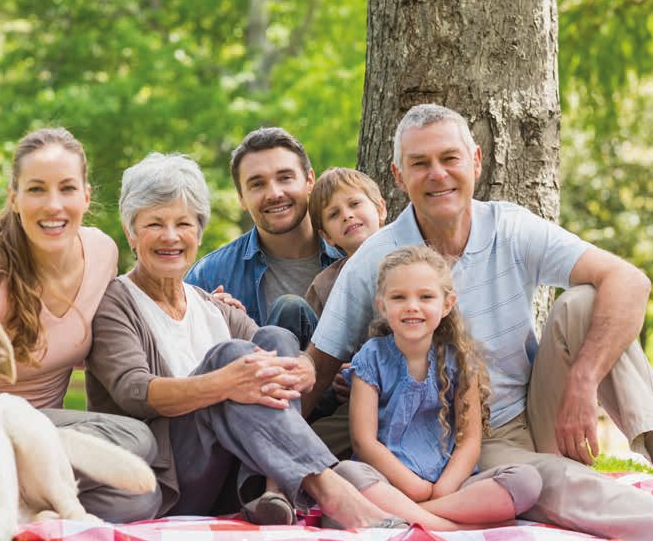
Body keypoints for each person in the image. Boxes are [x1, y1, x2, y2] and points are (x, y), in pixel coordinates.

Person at [304, 103, 653, 540]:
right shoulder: (376, 259)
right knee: (553, 482)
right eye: (420, 163)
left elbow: (631, 281)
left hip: (538, 404)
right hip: (470, 440)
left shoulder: (510, 226)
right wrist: (274, 454)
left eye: (449, 158)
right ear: (399, 176)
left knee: (589, 301)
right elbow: (318, 365)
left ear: (475, 161)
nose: (438, 174)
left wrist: (583, 383)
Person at [84, 152, 465, 530]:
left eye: (183, 223)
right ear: (131, 232)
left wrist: (311, 369)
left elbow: (282, 359)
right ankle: (329, 489)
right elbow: (133, 391)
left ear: (197, 233)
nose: (171, 236)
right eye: (154, 224)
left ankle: (275, 489)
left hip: (233, 482)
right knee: (231, 356)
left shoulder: (212, 306)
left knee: (276, 337)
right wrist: (223, 382)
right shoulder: (116, 300)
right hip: (166, 480)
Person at [0, 127, 161, 522]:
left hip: (44, 451)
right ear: (14, 198)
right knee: (136, 440)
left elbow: (130, 309)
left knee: (140, 501)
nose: (53, 205)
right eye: (36, 190)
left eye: (67, 188)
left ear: (86, 196)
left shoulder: (102, 251)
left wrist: (206, 300)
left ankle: (21, 507)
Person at [345, 245, 540, 527]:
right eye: (399, 297)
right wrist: (414, 488)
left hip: (449, 485)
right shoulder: (371, 357)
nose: (412, 306)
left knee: (525, 482)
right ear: (382, 305)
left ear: (447, 304)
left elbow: (469, 442)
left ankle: (414, 517)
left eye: (426, 297)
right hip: (389, 481)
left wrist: (442, 489)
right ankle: (449, 527)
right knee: (347, 474)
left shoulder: (459, 360)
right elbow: (363, 442)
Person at [185, 127, 342, 348]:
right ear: (241, 198)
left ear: (309, 181)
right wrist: (211, 326)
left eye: (285, 178)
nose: (274, 194)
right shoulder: (209, 276)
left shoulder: (353, 255)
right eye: (257, 184)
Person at [303, 168, 386, 439]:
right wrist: (338, 377)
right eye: (334, 214)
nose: (347, 215)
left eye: (354, 203)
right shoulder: (324, 284)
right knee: (317, 441)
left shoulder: (413, 261)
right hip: (350, 402)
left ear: (381, 209)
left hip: (403, 385)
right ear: (328, 237)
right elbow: (319, 354)